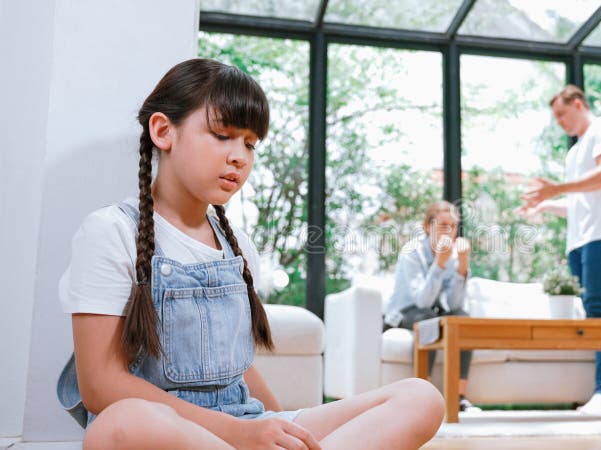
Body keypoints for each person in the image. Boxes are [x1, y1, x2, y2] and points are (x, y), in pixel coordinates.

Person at [56, 58, 444, 450]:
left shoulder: (237, 244)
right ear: (163, 131)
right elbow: (101, 385)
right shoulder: (111, 231)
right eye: (222, 135)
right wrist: (240, 434)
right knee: (122, 421)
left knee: (420, 397)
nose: (240, 156)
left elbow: (239, 369)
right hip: (179, 432)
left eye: (250, 144)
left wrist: (283, 434)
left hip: (245, 425)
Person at [518, 84, 601, 414]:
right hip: (580, 240)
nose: (559, 122)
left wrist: (556, 188)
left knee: (598, 307)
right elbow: (580, 204)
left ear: (578, 104)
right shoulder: (575, 152)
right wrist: (546, 206)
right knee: (597, 309)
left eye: (561, 114)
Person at [384, 201, 480, 413]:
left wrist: (462, 267)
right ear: (428, 226)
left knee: (461, 320)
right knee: (428, 319)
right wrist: (439, 264)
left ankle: (458, 398)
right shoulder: (412, 252)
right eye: (444, 225)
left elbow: (454, 304)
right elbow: (421, 301)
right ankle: (421, 398)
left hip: (431, 311)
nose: (450, 231)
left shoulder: (455, 256)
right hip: (404, 313)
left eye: (453, 226)